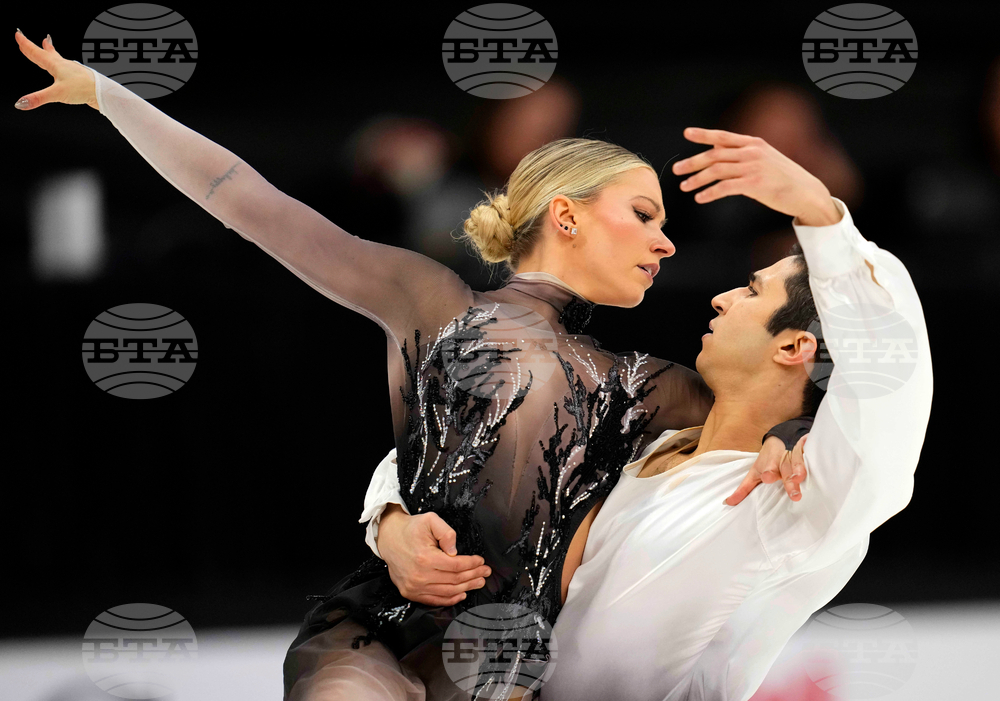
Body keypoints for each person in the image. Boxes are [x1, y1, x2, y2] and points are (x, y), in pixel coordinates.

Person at [13, 31, 813, 700]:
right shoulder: (436, 301)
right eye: (644, 214)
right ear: (566, 216)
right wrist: (110, 97)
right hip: (375, 626)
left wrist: (785, 434)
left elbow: (785, 411)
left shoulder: (646, 384)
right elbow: (246, 200)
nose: (666, 242)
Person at [369, 185, 932, 698]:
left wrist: (822, 216)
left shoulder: (795, 496)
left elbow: (891, 378)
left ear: (793, 348)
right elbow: (459, 446)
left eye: (753, 291)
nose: (723, 298)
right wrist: (393, 526)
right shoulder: (637, 442)